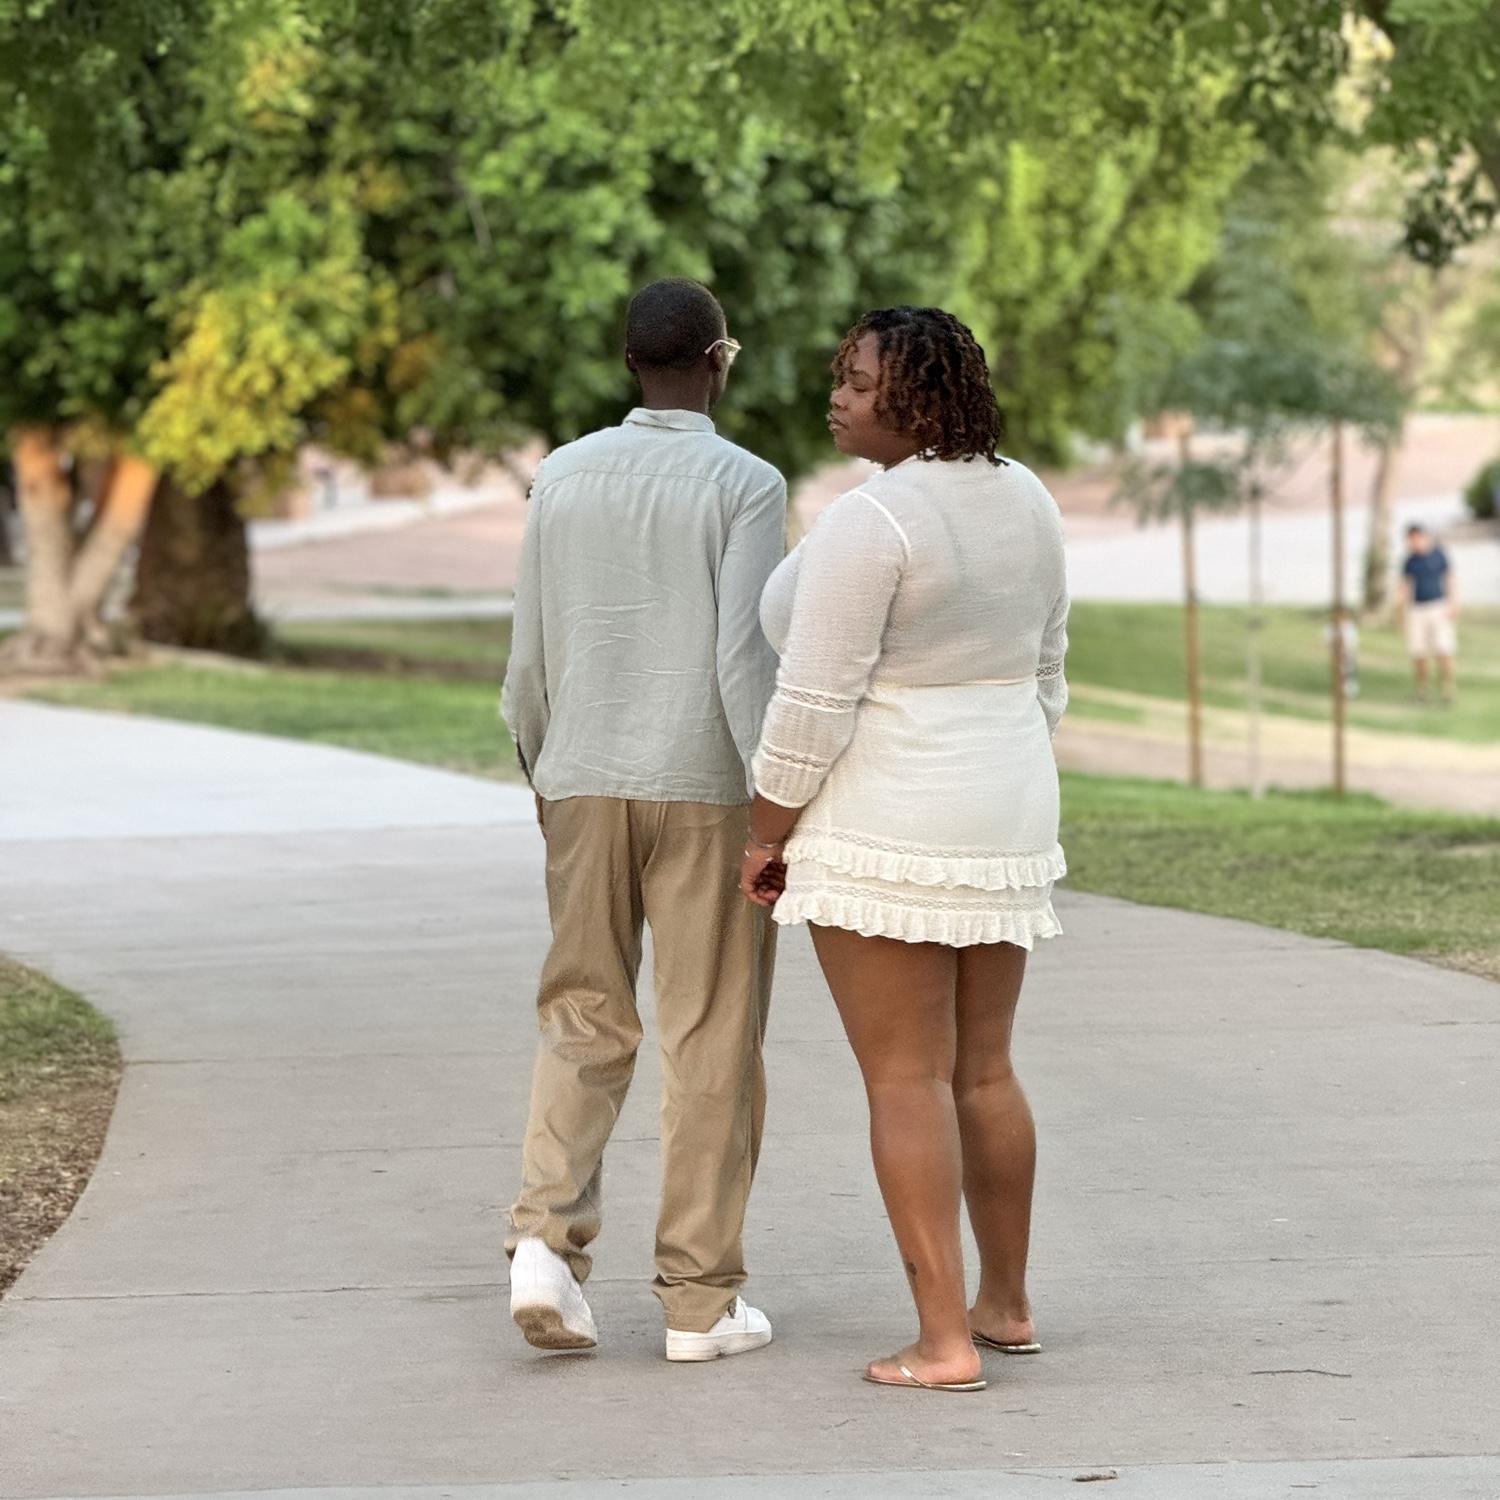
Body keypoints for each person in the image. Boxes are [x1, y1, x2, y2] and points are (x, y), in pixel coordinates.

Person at [740, 306, 1068, 1393]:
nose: (837, 397)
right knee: (984, 1069)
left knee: (904, 1079)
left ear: (916, 399)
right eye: (840, 376)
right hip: (1004, 811)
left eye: (858, 381)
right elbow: (1047, 672)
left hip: (888, 817)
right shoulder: (1028, 497)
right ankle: (1004, 1306)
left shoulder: (872, 520)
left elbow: (812, 703)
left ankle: (942, 1343)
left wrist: (766, 830)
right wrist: (995, 770)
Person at [502, 278, 785, 1362]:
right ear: (719, 360)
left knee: (582, 1014)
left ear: (629, 362)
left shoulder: (561, 476)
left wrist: (545, 774)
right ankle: (698, 1303)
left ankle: (543, 1246)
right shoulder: (746, 483)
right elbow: (744, 659)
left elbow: (529, 652)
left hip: (581, 775)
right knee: (710, 1033)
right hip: (706, 784)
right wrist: (774, 807)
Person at [1401, 523, 1459, 705]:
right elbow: (1405, 586)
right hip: (1417, 609)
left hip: (1438, 606)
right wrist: (1402, 613)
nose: (1413, 543)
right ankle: (1422, 691)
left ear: (1423, 537)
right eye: (1410, 540)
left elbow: (1450, 578)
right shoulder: (1410, 561)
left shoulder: (1438, 555)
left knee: (1444, 649)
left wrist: (1453, 603)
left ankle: (1448, 690)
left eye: (1416, 538)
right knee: (1419, 653)